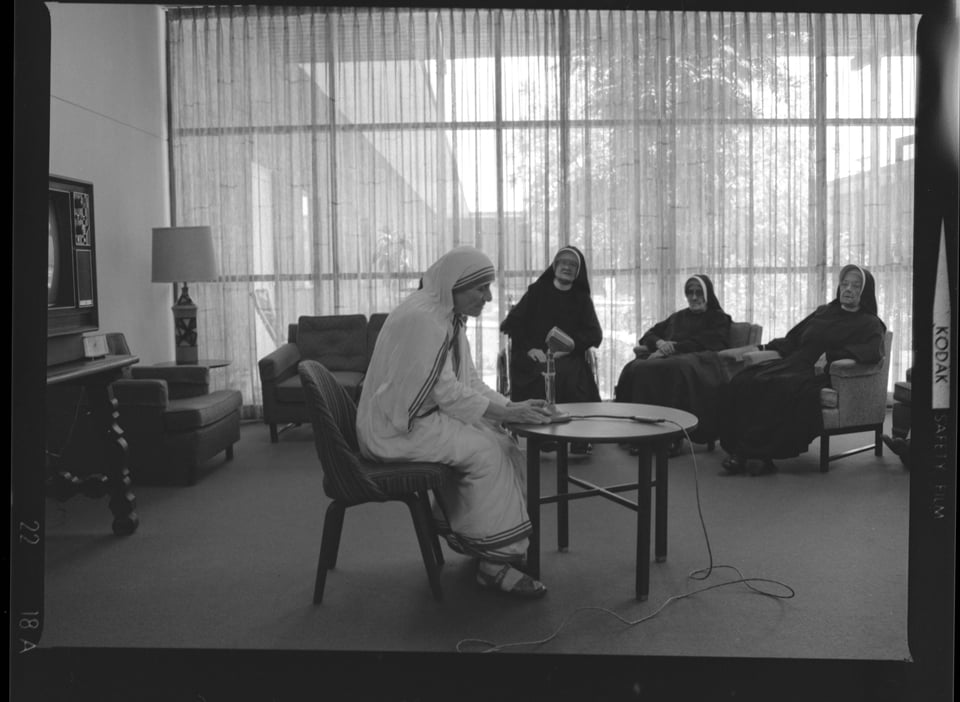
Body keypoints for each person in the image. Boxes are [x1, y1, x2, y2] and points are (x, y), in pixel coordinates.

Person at [357, 246, 556, 599]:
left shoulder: (444, 314)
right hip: (394, 430)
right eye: (480, 289)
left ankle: (483, 543)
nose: (489, 297)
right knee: (488, 451)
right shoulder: (426, 320)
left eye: (488, 287)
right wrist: (508, 415)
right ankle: (494, 565)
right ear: (455, 285)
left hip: (411, 418)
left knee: (502, 441)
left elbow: (470, 384)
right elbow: (447, 393)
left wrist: (511, 406)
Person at [718, 264, 887, 476]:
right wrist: (762, 348)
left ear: (865, 292)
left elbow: (873, 352)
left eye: (856, 286)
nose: (848, 289)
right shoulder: (823, 311)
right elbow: (793, 338)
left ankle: (748, 453)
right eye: (845, 284)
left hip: (820, 372)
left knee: (781, 388)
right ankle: (742, 449)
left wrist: (833, 356)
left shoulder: (869, 323)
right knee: (746, 380)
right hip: (794, 363)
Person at [499, 246, 602, 454]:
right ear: (555, 266)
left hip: (567, 356)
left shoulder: (581, 298)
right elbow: (512, 324)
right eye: (563, 263)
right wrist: (529, 349)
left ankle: (579, 436)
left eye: (573, 265)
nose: (567, 267)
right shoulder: (537, 291)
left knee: (572, 373)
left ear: (578, 272)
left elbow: (594, 334)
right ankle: (543, 432)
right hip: (534, 356)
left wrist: (571, 346)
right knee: (544, 373)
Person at [614, 274, 732, 449]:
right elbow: (649, 334)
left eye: (698, 292)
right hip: (668, 358)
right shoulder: (677, 317)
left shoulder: (719, 318)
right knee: (634, 367)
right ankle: (639, 433)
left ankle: (668, 437)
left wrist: (673, 348)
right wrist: (660, 343)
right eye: (690, 292)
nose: (693, 297)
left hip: (699, 361)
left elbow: (711, 342)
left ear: (707, 294)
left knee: (668, 368)